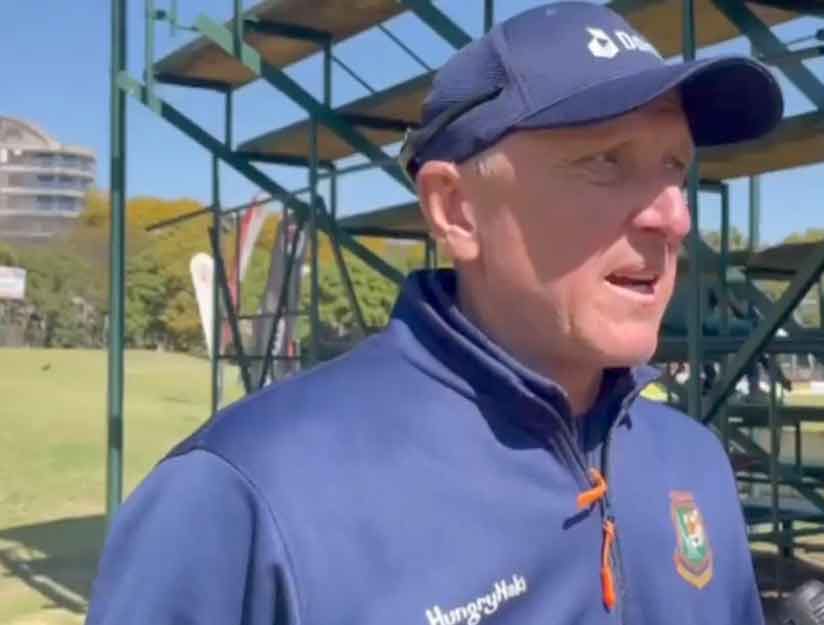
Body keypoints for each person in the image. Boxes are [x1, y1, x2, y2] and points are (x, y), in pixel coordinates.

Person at [85, 2, 783, 624]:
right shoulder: (248, 495)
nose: (673, 216)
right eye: (605, 162)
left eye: (675, 168)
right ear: (455, 210)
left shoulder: (693, 460)